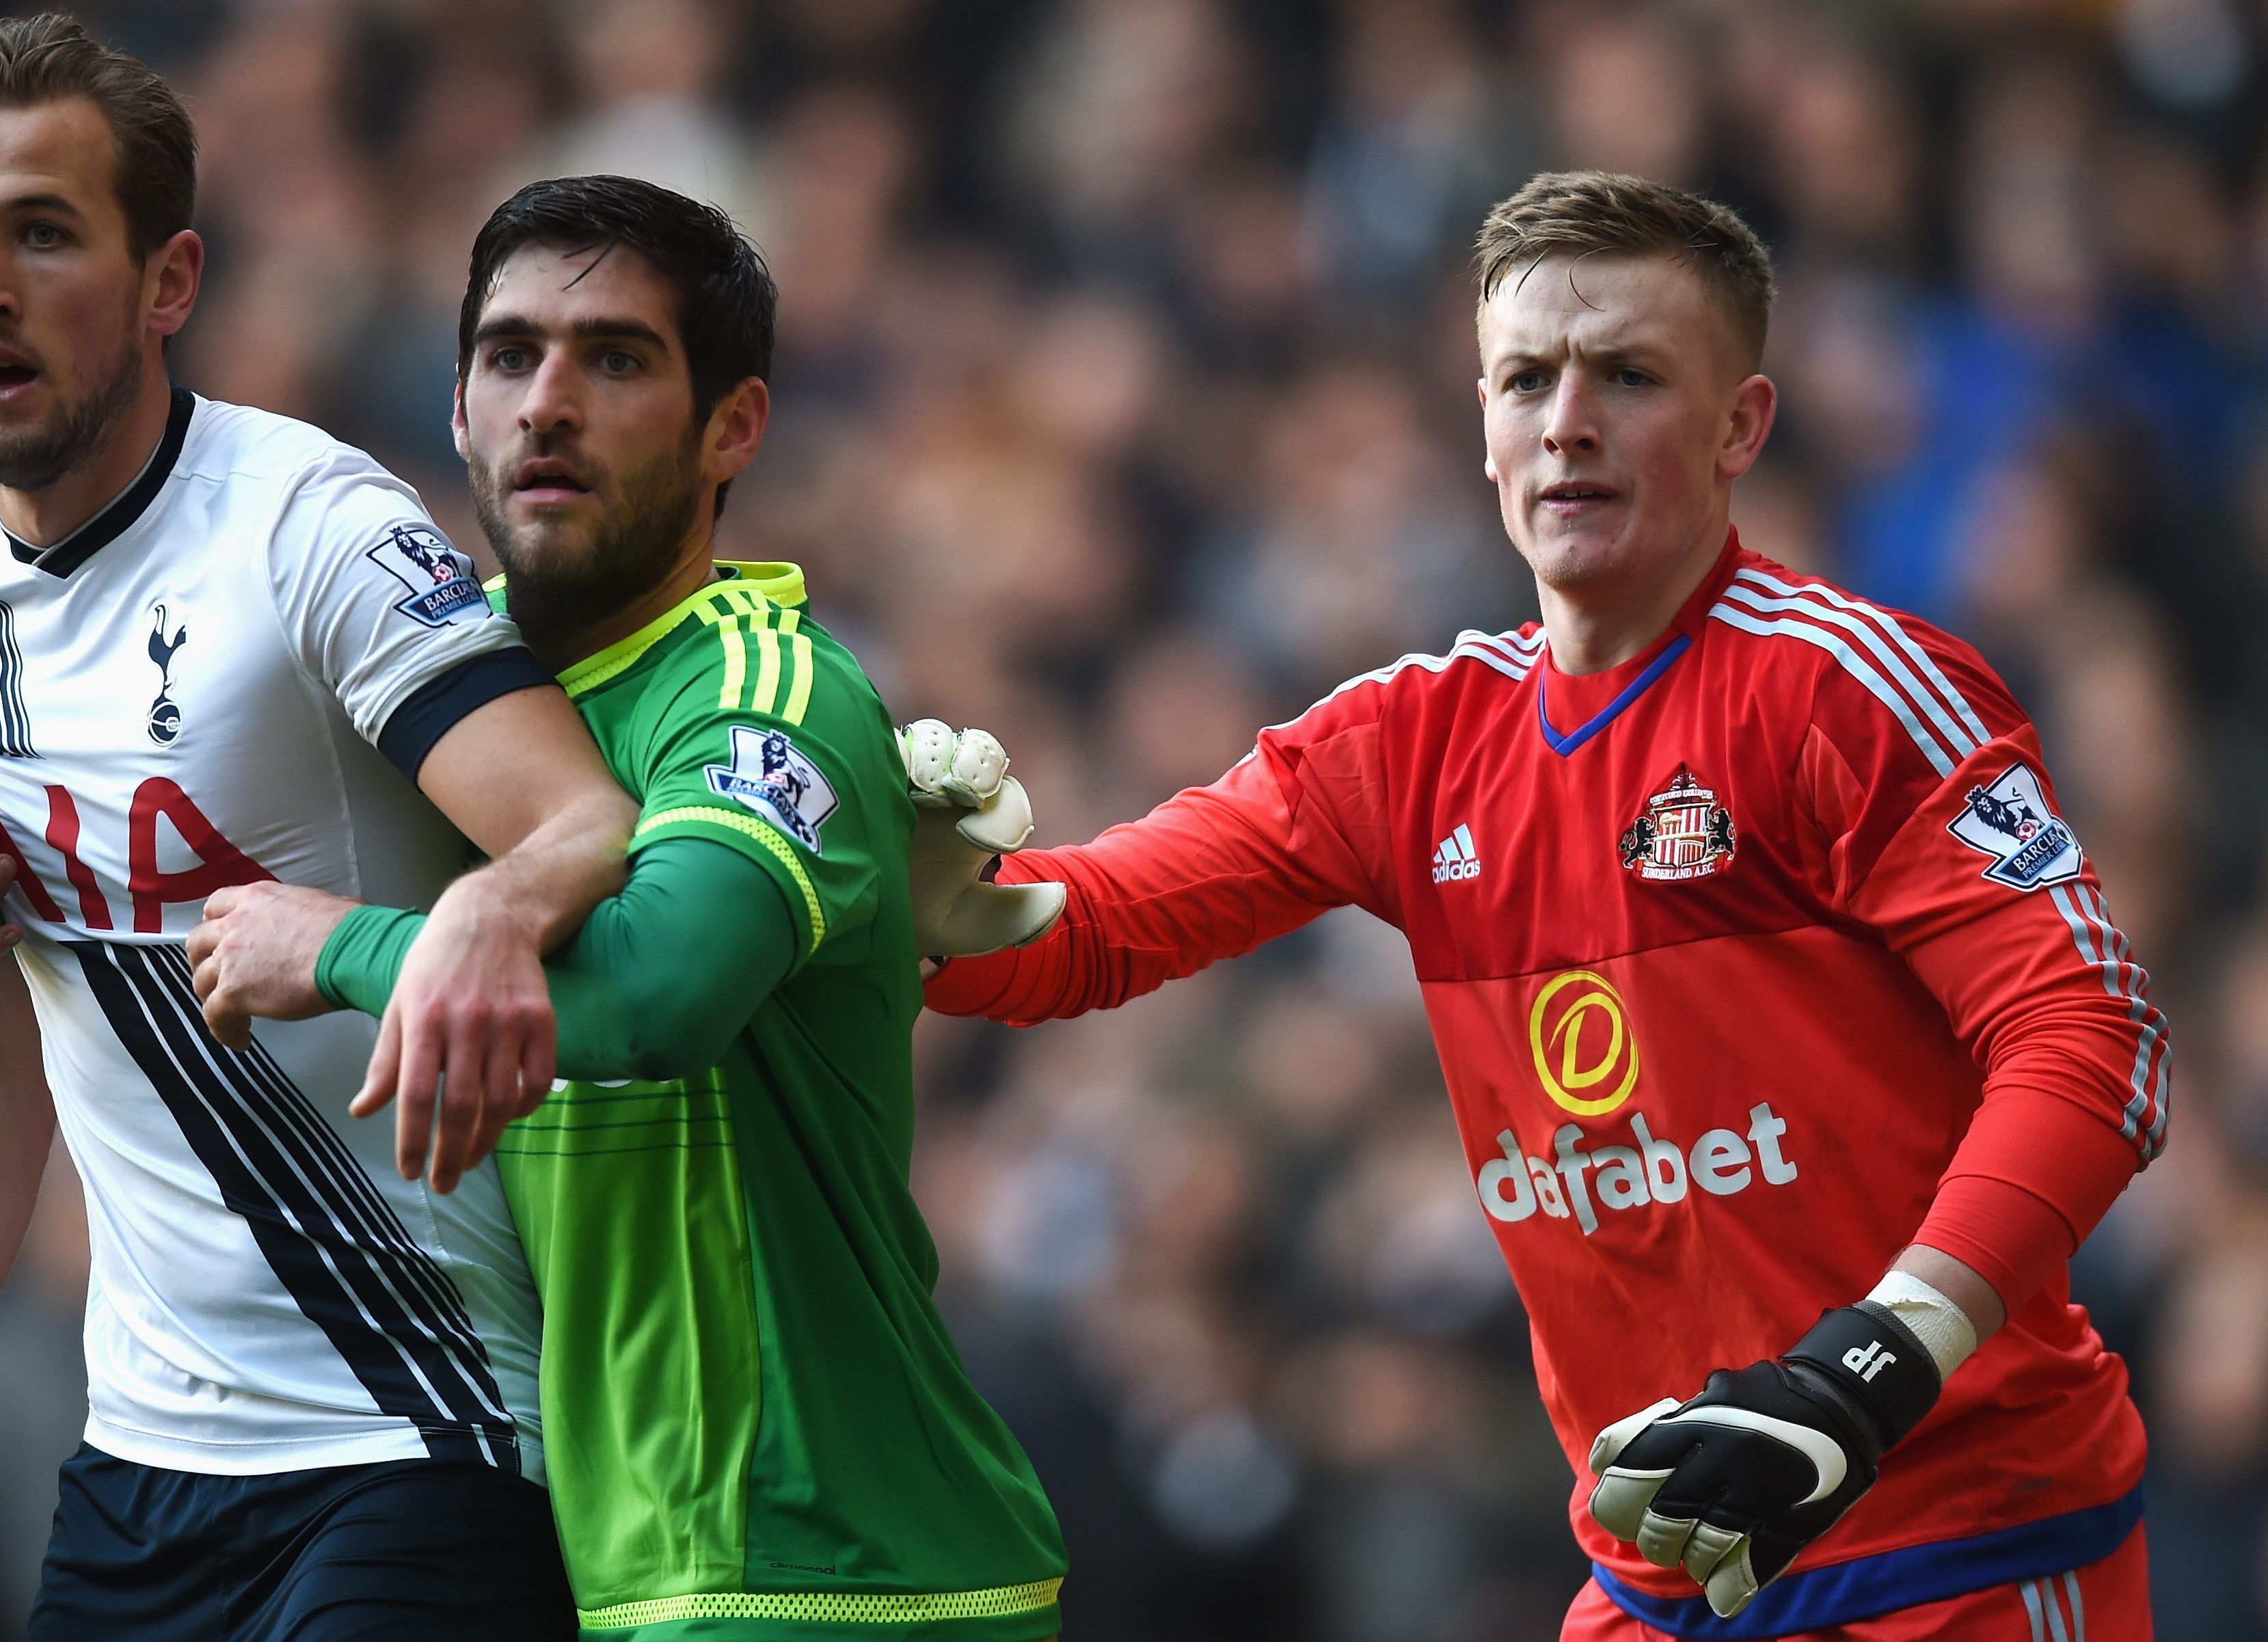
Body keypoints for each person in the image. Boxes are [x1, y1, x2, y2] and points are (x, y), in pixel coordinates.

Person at [925, 172, 2163, 1641]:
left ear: (1739, 427)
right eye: (1526, 378)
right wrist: (928, 900)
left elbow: (2092, 1040)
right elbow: (1086, 928)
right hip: (1660, 1576)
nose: (1565, 419)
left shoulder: (1846, 692)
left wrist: (1872, 1362)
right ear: (1483, 422)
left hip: (1951, 1551)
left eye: (1627, 375)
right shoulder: (1409, 739)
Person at [0, 16, 634, 1641]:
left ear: (169, 281)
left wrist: (467, 918)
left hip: (421, 1430)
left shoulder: (311, 528)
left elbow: (581, 822)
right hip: (138, 1475)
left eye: (43, 231)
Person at [171, 176, 1070, 1639]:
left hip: (841, 1567)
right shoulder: (444, 710)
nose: (547, 403)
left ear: (735, 426)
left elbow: (656, 994)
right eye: (508, 356)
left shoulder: (764, 693)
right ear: (456, 409)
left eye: (616, 358)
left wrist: (332, 945)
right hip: (617, 1563)